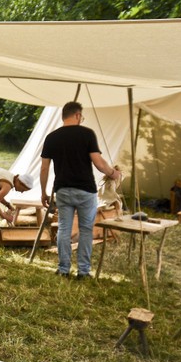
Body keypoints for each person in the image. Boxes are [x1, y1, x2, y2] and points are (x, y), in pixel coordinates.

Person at [40, 102, 122, 279]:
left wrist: (43, 192)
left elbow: (44, 169)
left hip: (62, 190)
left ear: (64, 116)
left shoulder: (51, 137)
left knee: (64, 229)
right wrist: (113, 173)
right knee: (85, 230)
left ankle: (63, 269)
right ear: (77, 115)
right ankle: (83, 271)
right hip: (86, 190)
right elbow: (98, 163)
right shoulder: (87, 134)